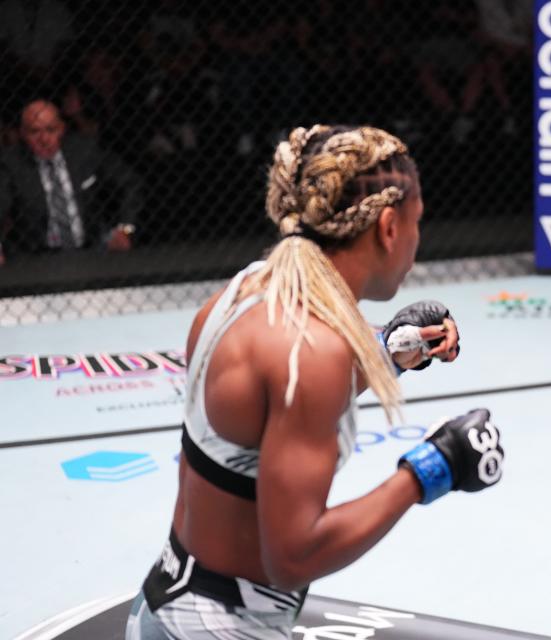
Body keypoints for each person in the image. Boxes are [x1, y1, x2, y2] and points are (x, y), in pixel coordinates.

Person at [124, 124, 505, 639]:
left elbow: (274, 399)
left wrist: (389, 352)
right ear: (389, 227)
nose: (418, 240)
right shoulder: (313, 353)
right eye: (419, 223)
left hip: (167, 603)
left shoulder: (247, 290)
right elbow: (293, 556)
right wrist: (431, 469)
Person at [0, 99, 143, 263]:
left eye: (50, 130)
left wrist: (125, 228)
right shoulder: (11, 164)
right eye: (35, 132)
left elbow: (130, 182)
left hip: (93, 247)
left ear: (61, 128)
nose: (44, 139)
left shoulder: (85, 151)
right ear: (23, 134)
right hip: (33, 255)